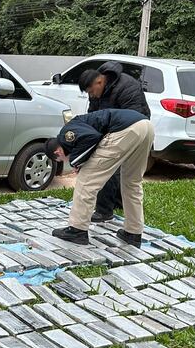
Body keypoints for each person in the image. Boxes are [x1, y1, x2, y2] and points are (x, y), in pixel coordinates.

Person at [46, 108, 155, 247]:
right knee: (132, 182)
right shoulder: (78, 126)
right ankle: (133, 233)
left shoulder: (65, 134)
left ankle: (77, 230)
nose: (65, 160)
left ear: (57, 151)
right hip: (145, 126)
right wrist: (80, 161)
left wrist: (76, 162)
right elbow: (92, 143)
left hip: (125, 129)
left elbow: (92, 137)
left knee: (86, 182)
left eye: (60, 159)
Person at [78, 62, 150, 223]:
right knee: (122, 172)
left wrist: (109, 137)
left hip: (133, 128)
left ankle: (104, 211)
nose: (92, 95)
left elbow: (134, 117)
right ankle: (119, 203)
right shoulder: (96, 91)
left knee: (107, 166)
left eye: (92, 91)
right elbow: (94, 115)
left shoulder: (127, 86)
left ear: (99, 81)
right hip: (113, 129)